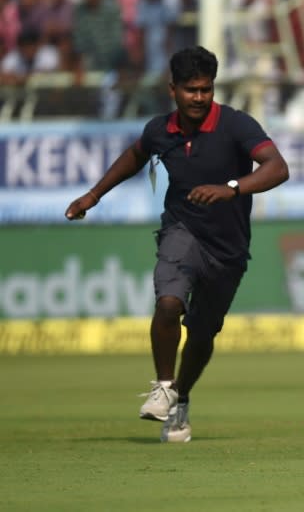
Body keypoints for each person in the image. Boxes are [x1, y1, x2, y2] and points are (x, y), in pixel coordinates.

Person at [64, 46, 290, 443]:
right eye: (191, 90)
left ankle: (180, 398)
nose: (199, 97)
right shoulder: (160, 130)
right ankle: (164, 385)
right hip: (181, 230)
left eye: (206, 89)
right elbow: (135, 156)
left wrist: (231, 188)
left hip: (229, 248)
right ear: (173, 89)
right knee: (168, 303)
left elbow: (278, 167)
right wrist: (93, 195)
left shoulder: (236, 125)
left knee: (202, 334)